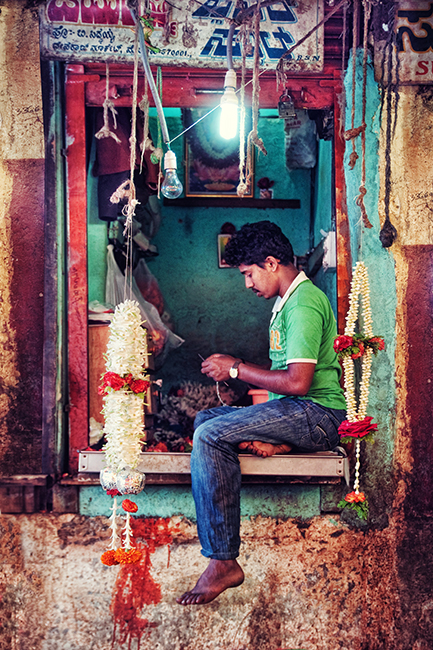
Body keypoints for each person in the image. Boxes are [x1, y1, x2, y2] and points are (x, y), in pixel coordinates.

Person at [176, 221, 346, 606]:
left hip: (317, 413)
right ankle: (280, 444)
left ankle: (222, 560)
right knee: (205, 421)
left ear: (271, 263)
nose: (248, 284)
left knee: (210, 435)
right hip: (296, 410)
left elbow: (299, 382)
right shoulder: (286, 301)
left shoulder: (303, 303)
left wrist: (236, 368)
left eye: (249, 274)